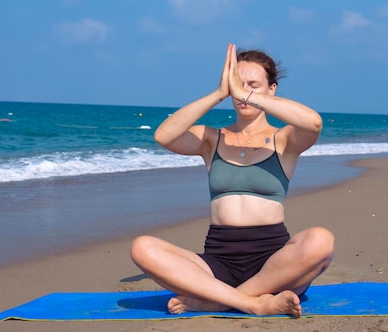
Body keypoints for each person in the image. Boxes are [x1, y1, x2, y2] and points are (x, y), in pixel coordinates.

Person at [130, 43, 334, 317]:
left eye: (253, 84)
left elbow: (313, 123)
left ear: (271, 90)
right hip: (217, 262)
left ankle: (219, 300)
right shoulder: (211, 139)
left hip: (273, 263)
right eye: (237, 84)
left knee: (321, 241)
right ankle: (252, 303)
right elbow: (164, 136)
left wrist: (245, 94)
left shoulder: (284, 140)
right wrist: (218, 94)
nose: (243, 92)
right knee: (142, 248)